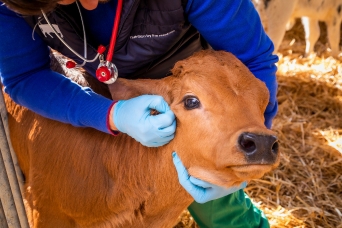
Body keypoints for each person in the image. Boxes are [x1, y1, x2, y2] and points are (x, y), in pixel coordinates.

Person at [0, 0, 278, 227]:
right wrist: (110, 114)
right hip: (102, 88)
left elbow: (253, 58)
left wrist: (250, 135)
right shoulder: (11, 5)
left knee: (215, 203)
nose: (89, 3)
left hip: (199, 91)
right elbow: (25, 74)